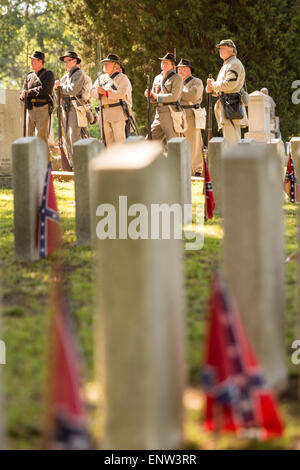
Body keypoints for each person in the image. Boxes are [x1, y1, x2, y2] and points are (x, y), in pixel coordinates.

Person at [206, 39, 248, 145]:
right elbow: (224, 88)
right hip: (227, 105)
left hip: (231, 105)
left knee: (232, 141)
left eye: (223, 48)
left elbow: (230, 85)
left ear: (232, 50)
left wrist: (213, 85)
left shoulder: (233, 64)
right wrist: (212, 90)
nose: (220, 50)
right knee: (230, 140)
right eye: (220, 48)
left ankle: (235, 161)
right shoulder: (227, 64)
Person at [54, 50, 89, 167]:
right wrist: (56, 88)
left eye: (68, 61)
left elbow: (72, 90)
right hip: (65, 108)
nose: (66, 64)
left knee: (74, 136)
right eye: (64, 62)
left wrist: (60, 87)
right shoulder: (65, 76)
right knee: (67, 137)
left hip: (75, 107)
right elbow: (59, 95)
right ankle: (71, 163)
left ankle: (79, 163)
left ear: (74, 61)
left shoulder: (79, 74)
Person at [90, 53, 132, 146]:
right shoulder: (101, 78)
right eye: (104, 63)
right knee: (108, 144)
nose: (105, 65)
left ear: (115, 65)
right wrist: (99, 92)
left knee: (120, 143)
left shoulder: (122, 78)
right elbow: (92, 91)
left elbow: (122, 94)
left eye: (108, 63)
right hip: (103, 114)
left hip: (117, 112)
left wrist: (107, 93)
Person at [20, 50, 54, 158]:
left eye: (33, 60)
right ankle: (31, 163)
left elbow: (45, 90)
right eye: (31, 60)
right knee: (28, 137)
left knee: (41, 138)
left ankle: (46, 167)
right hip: (29, 109)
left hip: (42, 108)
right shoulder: (29, 76)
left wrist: (29, 92)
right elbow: (22, 92)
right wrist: (22, 95)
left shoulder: (48, 74)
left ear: (40, 61)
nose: (31, 62)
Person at [144, 52, 183, 141]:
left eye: (166, 62)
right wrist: (149, 95)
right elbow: (153, 98)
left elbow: (174, 97)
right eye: (162, 62)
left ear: (173, 65)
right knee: (149, 141)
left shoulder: (177, 78)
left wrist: (157, 96)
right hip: (158, 113)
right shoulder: (157, 78)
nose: (163, 64)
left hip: (171, 113)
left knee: (174, 143)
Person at [177, 58, 204, 176]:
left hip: (192, 113)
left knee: (194, 142)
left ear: (189, 70)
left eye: (183, 69)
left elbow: (192, 95)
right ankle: (184, 168)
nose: (180, 71)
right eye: (179, 69)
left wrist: (177, 93)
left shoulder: (196, 82)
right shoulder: (177, 82)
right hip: (179, 114)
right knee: (180, 141)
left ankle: (197, 169)